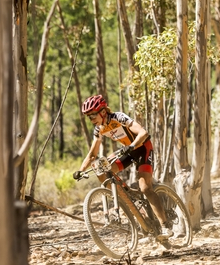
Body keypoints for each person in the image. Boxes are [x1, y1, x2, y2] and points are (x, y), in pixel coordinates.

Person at [73, 95, 173, 237]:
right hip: (127, 151)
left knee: (145, 188)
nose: (91, 119)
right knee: (101, 168)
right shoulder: (99, 129)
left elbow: (143, 132)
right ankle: (124, 197)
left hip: (142, 148)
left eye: (93, 115)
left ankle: (165, 226)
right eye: (89, 117)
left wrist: (132, 145)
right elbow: (92, 155)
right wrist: (80, 171)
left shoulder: (118, 117)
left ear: (102, 112)